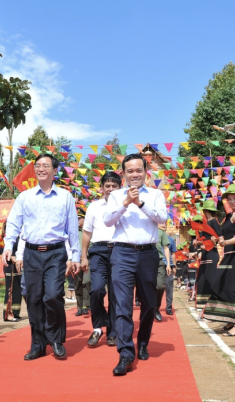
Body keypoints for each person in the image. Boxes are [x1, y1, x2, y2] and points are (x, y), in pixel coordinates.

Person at [2, 153, 80, 360]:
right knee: (34, 299)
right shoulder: (25, 197)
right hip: (31, 253)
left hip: (56, 253)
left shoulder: (65, 197)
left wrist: (75, 256)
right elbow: (13, 223)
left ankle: (55, 339)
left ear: (55, 171)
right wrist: (8, 246)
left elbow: (72, 229)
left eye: (46, 165)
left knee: (54, 295)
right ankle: (38, 343)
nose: (41, 168)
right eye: (38, 165)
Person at [103, 153, 168, 375]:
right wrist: (125, 203)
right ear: (123, 173)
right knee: (122, 305)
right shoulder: (115, 196)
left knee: (150, 304)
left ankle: (142, 342)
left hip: (148, 254)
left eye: (138, 170)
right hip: (121, 253)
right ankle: (125, 354)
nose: (134, 174)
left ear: (145, 172)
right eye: (129, 171)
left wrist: (139, 203)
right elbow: (108, 220)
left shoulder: (156, 194)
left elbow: (162, 218)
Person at [81, 171, 121, 347]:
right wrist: (83, 256)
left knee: (115, 294)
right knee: (96, 289)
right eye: (107, 186)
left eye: (114, 186)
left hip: (119, 251)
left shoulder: (126, 206)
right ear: (102, 188)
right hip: (98, 250)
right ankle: (98, 327)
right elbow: (87, 232)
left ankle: (112, 332)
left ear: (120, 187)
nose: (110, 189)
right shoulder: (94, 206)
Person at [204, 184, 235, 336]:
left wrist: (225, 242)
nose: (233, 201)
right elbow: (224, 234)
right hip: (227, 256)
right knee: (221, 286)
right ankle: (229, 319)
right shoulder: (228, 217)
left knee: (233, 290)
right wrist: (218, 239)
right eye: (230, 199)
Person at [195, 201, 222, 313]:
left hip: (212, 252)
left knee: (211, 280)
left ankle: (214, 306)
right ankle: (203, 306)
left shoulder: (214, 221)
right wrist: (197, 242)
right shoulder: (204, 224)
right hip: (205, 253)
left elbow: (220, 236)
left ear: (206, 211)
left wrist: (215, 240)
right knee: (201, 280)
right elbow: (201, 239)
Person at [71, 206, 91, 316]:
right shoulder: (73, 231)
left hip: (87, 259)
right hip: (76, 261)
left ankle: (86, 305)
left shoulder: (89, 231)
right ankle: (79, 307)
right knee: (77, 283)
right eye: (76, 218)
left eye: (80, 218)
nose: (78, 221)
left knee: (86, 282)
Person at [2, 232, 23, 322]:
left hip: (18, 265)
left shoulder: (21, 236)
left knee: (18, 290)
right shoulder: (6, 237)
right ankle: (7, 314)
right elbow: (0, 250)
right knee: (10, 290)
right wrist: (11, 257)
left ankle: (15, 313)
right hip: (10, 265)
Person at [154, 223, 172, 322]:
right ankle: (148, 309)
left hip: (159, 262)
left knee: (160, 286)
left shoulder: (161, 231)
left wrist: (168, 264)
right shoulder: (145, 229)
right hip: (146, 262)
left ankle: (156, 308)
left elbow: (166, 247)